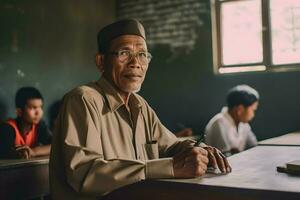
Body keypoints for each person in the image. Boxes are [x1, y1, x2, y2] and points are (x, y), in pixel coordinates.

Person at [50, 19, 231, 200]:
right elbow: (85, 174)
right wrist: (165, 167)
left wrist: (200, 150)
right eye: (124, 53)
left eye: (143, 54)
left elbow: (171, 146)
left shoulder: (140, 105)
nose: (136, 63)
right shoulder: (83, 99)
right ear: (101, 61)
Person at [205, 85, 259, 156]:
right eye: (253, 110)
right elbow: (225, 155)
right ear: (240, 109)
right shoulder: (219, 123)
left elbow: (254, 146)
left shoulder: (244, 124)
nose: (253, 114)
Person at [0, 87, 52, 159]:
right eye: (33, 108)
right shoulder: (8, 127)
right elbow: (5, 153)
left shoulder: (39, 126)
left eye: (40, 107)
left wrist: (33, 152)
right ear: (19, 112)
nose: (38, 112)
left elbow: (55, 145)